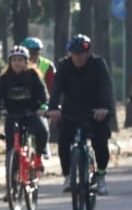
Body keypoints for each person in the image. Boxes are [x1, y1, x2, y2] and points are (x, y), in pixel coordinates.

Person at [47, 35, 115, 195]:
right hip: (71, 110)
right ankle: (68, 175)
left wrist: (105, 108)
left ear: (88, 53)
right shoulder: (64, 66)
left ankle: (101, 175)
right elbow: (56, 89)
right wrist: (53, 108)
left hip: (95, 110)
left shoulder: (98, 64)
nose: (77, 57)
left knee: (100, 141)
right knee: (63, 140)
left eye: (81, 53)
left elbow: (107, 87)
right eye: (74, 53)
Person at [0, 45, 49, 160]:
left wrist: (43, 106)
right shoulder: (4, 79)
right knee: (10, 142)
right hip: (12, 115)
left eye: (20, 60)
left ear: (26, 61)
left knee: (42, 132)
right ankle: (11, 166)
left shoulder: (33, 76)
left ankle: (38, 157)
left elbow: (43, 94)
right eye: (13, 60)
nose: (16, 63)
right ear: (9, 62)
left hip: (31, 113)